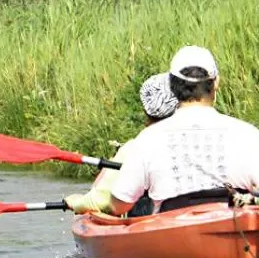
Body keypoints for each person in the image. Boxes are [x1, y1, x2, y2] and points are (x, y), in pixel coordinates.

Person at [66, 46, 259, 216]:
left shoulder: (147, 139)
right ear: (216, 83)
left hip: (171, 233)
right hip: (235, 221)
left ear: (173, 86)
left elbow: (120, 204)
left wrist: (87, 203)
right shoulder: (246, 133)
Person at [67, 72, 178, 217]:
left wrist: (75, 202)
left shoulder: (135, 147)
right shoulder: (196, 139)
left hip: (152, 222)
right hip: (191, 215)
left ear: (146, 111)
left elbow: (101, 200)